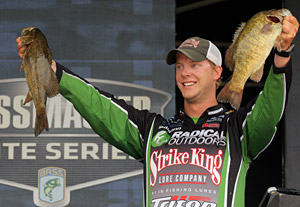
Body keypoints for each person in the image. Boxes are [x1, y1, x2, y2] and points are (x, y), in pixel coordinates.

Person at [17, 15, 299, 207]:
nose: (184, 73)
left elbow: (270, 107)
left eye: (194, 65)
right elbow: (99, 104)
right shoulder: (153, 130)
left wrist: (282, 56)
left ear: (217, 72)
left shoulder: (236, 129)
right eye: (179, 66)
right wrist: (51, 70)